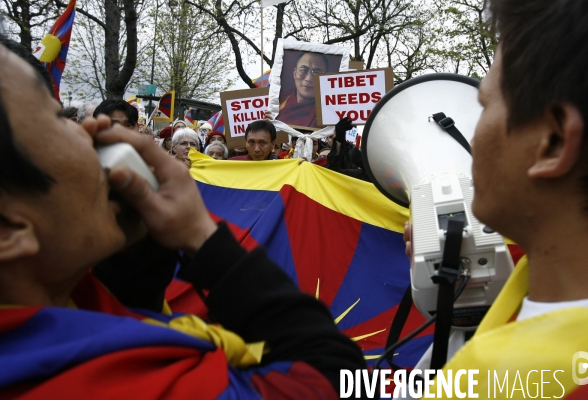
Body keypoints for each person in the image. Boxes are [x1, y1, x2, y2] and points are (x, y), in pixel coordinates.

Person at [0, 40, 367, 398]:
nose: (90, 135)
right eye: (56, 120)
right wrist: (202, 237)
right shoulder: (142, 383)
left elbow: (122, 311)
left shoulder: (63, 296)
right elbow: (334, 376)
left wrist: (139, 251)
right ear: (10, 230)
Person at [401, 0, 588, 397]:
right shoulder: (523, 291)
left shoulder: (491, 381)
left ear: (552, 142)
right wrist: (450, 299)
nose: (472, 139)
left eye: (485, 107)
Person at [278, 52, 328, 128]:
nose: (309, 78)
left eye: (317, 73)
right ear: (294, 73)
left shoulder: (329, 111)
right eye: (303, 70)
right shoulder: (279, 102)